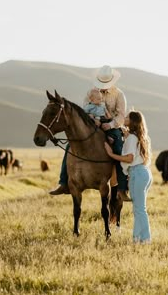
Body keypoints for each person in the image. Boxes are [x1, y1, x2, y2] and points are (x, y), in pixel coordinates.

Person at [49, 65, 131, 201]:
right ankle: (64, 183)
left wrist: (109, 124)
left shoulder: (119, 95)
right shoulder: (91, 93)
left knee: (118, 148)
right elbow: (83, 111)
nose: (103, 87)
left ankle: (121, 188)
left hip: (112, 126)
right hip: (91, 126)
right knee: (71, 146)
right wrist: (92, 119)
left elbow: (121, 116)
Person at [104, 110, 152, 244]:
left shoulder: (132, 138)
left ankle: (146, 238)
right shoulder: (139, 137)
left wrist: (111, 154)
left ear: (132, 122)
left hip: (136, 173)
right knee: (138, 209)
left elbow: (129, 158)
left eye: (127, 117)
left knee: (140, 209)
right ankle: (137, 238)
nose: (124, 118)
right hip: (144, 172)